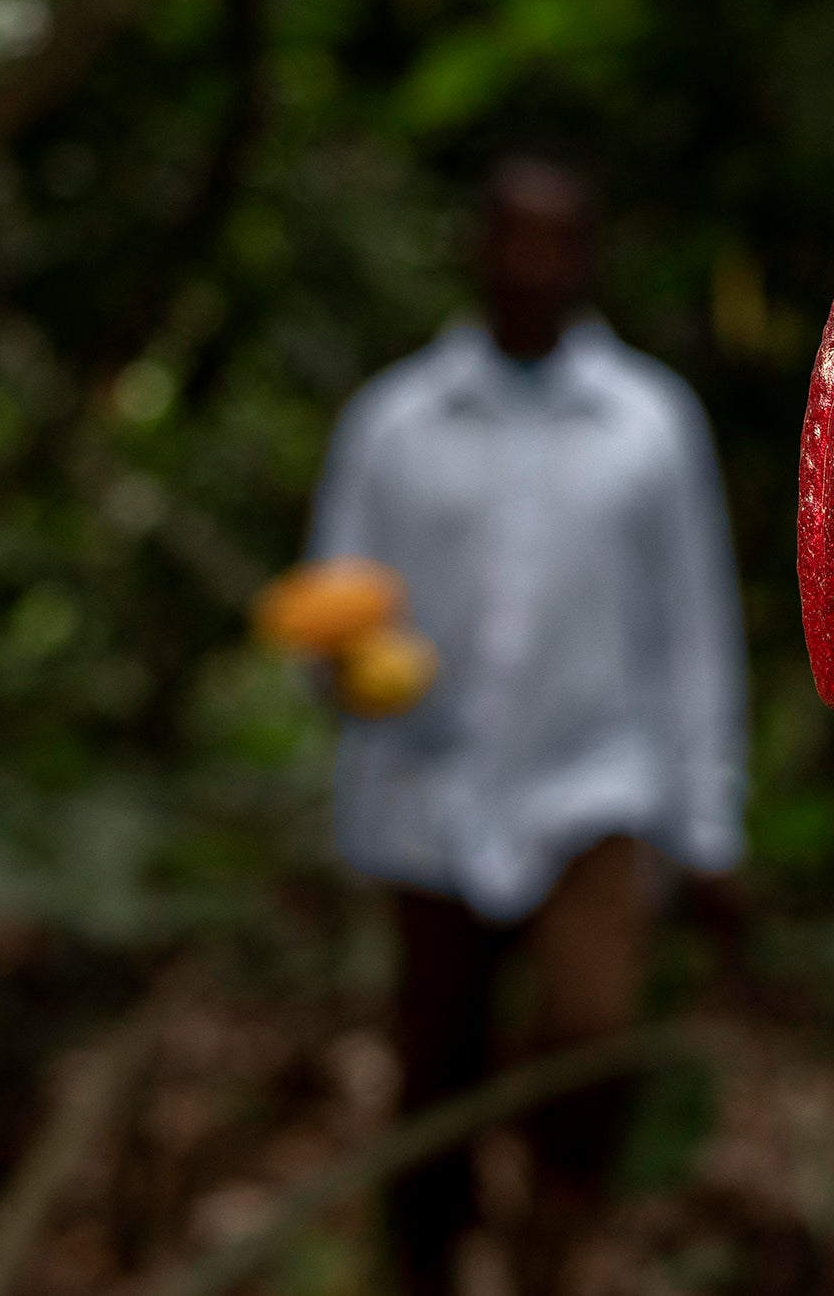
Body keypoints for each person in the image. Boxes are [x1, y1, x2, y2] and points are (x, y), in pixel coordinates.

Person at [304, 156, 749, 1295]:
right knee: (437, 1072)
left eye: (560, 242)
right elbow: (335, 611)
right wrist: (349, 676)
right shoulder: (395, 424)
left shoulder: (650, 424)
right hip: (429, 798)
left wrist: (708, 826)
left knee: (587, 1061)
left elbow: (692, 631)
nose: (535, 265)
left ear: (588, 258)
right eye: (516, 238)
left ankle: (553, 1260)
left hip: (596, 793)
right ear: (481, 248)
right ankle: (425, 1263)